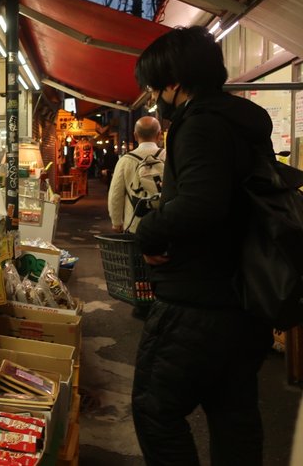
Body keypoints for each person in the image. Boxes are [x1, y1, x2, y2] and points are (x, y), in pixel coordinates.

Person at [131, 26, 273, 466]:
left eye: (155, 86)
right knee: (235, 417)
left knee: (155, 409)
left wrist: (148, 233)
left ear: (174, 82)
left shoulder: (200, 126)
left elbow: (200, 204)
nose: (155, 95)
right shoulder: (242, 124)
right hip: (244, 300)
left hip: (196, 304)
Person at [107, 116, 164, 232]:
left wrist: (116, 222)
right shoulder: (170, 157)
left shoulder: (125, 161)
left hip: (135, 225)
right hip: (165, 224)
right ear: (159, 135)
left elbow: (115, 194)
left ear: (135, 136)